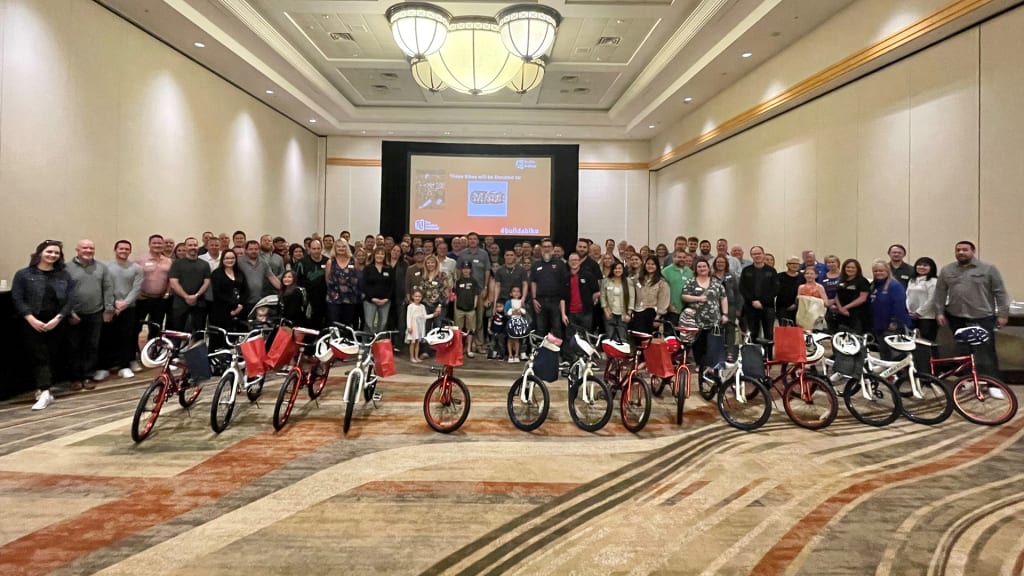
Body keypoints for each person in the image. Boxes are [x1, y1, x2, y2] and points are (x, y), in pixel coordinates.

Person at [12, 240, 74, 410]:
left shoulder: (64, 275)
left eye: (56, 253)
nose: (52, 255)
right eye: (49, 252)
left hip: (56, 322)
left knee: (51, 356)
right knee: (39, 356)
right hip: (32, 322)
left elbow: (70, 300)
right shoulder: (24, 274)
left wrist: (58, 319)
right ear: (40, 253)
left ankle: (44, 388)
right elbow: (17, 298)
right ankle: (45, 391)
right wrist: (31, 318)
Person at [934, 241, 1009, 377]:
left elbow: (1000, 292)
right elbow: (940, 293)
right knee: (963, 350)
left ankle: (992, 383)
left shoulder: (988, 268)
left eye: (965, 250)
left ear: (973, 251)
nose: (961, 252)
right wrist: (939, 312)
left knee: (985, 351)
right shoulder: (947, 270)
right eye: (958, 250)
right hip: (956, 317)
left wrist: (1003, 314)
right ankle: (967, 379)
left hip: (982, 317)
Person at [66, 239, 115, 389]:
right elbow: (63, 292)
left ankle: (88, 376)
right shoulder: (66, 268)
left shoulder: (101, 267)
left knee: (92, 346)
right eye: (84, 248)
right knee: (74, 347)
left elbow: (108, 288)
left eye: (91, 248)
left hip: (95, 313)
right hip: (74, 315)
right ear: (77, 249)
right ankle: (75, 378)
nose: (88, 250)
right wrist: (69, 312)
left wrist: (108, 309)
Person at [104, 240, 143, 379]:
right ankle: (107, 365)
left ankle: (124, 366)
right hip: (111, 307)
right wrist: (114, 303)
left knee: (128, 337)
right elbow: (106, 286)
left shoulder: (137, 268)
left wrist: (125, 303)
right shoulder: (106, 267)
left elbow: (137, 288)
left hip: (129, 307)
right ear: (115, 250)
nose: (124, 251)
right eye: (121, 248)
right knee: (109, 337)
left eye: (127, 249)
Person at [681, 259, 728, 374]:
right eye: (699, 267)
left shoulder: (716, 282)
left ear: (708, 268)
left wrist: (725, 314)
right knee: (698, 343)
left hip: (713, 318)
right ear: (696, 269)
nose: (702, 269)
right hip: (696, 318)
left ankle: (711, 365)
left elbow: (723, 298)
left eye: (704, 266)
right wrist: (698, 298)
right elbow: (684, 296)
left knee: (712, 343)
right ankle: (699, 364)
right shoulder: (691, 282)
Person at [136, 234, 172, 350]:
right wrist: (137, 293)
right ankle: (134, 353)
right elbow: (133, 278)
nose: (157, 245)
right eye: (154, 243)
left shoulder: (168, 261)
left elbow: (171, 279)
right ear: (149, 244)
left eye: (159, 243)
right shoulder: (140, 260)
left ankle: (152, 351)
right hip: (142, 299)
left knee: (156, 328)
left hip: (160, 300)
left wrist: (167, 292)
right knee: (136, 327)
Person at [167, 237, 211, 332]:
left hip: (199, 303)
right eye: (190, 245)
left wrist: (196, 295)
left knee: (198, 333)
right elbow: (173, 282)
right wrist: (186, 296)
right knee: (178, 332)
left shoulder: (204, 264)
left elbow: (207, 282)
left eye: (195, 245)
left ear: (198, 247)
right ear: (185, 247)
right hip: (180, 304)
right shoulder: (177, 264)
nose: (193, 247)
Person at [869, 260, 911, 359]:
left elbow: (900, 305)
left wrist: (895, 322)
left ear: (887, 271)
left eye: (881, 271)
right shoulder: (874, 285)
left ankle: (901, 374)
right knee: (884, 353)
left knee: (895, 355)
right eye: (875, 271)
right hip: (879, 325)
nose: (878, 273)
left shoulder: (895, 286)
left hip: (892, 327)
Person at [739, 246, 779, 348]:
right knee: (753, 334)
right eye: (754, 254)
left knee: (769, 334)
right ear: (751, 256)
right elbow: (742, 288)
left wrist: (762, 302)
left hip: (768, 307)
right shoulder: (746, 270)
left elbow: (775, 289)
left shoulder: (771, 271)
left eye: (759, 253)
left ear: (763, 254)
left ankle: (768, 358)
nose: (757, 256)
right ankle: (755, 359)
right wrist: (753, 301)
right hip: (750, 307)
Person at [209, 249, 249, 347]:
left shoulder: (240, 273)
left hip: (239, 310)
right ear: (222, 259)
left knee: (235, 338)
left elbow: (245, 290)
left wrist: (240, 306)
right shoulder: (216, 274)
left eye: (232, 258)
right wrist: (233, 305)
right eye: (227, 258)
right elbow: (217, 293)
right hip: (221, 311)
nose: (230, 260)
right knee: (219, 339)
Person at [530, 238, 568, 340]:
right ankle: (540, 353)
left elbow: (564, 283)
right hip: (540, 302)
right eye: (544, 247)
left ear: (552, 248)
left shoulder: (560, 264)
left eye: (549, 246)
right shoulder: (536, 264)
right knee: (540, 329)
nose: (546, 249)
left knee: (557, 328)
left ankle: (556, 353)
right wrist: (533, 299)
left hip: (555, 302)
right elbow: (533, 282)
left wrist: (561, 301)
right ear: (541, 248)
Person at [560, 252, 600, 337]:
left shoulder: (588, 275)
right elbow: (562, 298)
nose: (574, 262)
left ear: (579, 261)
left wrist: (590, 302)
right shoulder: (565, 277)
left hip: (586, 313)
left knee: (586, 338)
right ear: (568, 262)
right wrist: (563, 314)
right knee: (571, 338)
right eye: (571, 260)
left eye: (576, 260)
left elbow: (596, 292)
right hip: (570, 314)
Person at [325, 241, 361, 328]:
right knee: (334, 323)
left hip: (350, 298)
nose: (341, 248)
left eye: (343, 246)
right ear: (335, 248)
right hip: (334, 298)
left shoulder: (354, 261)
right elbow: (327, 279)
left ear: (347, 248)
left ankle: (345, 340)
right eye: (339, 247)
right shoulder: (330, 262)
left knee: (347, 324)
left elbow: (357, 277)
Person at [631, 256, 670, 335]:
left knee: (649, 339)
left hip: (652, 313)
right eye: (648, 264)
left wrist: (658, 317)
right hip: (638, 312)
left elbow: (663, 300)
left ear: (657, 266)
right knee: (637, 338)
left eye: (653, 264)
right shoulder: (638, 279)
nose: (650, 266)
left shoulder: (662, 282)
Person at [294, 239, 328, 329]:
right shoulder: (301, 263)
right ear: (309, 249)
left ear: (321, 248)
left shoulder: (328, 261)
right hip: (308, 299)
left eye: (318, 248)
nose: (316, 251)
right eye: (314, 249)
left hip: (324, 298)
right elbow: (296, 281)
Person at [361, 247, 394, 334]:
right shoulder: (368, 268)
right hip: (370, 301)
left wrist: (387, 298)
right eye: (378, 253)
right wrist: (372, 298)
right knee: (369, 324)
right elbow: (364, 285)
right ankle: (367, 345)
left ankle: (380, 345)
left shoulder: (389, 269)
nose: (380, 256)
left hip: (385, 302)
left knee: (383, 324)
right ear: (374, 255)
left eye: (382, 254)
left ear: (385, 256)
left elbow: (392, 285)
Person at [906, 257, 938, 343]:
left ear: (931, 267)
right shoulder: (912, 280)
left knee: (925, 342)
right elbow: (908, 296)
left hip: (927, 317)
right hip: (911, 316)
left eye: (925, 265)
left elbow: (932, 300)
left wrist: (919, 312)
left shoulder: (933, 281)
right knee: (911, 341)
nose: (921, 267)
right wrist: (909, 310)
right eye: (919, 265)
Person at [600, 261, 634, 341]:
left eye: (619, 268)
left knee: (622, 338)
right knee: (610, 338)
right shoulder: (606, 281)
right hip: (610, 313)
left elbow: (632, 297)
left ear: (623, 270)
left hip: (623, 314)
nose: (617, 270)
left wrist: (629, 313)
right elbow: (603, 296)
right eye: (615, 268)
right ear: (612, 270)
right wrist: (605, 311)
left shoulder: (628, 281)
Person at [453, 262, 481, 358]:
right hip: (459, 308)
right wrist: (456, 306)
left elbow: (476, 295)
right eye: (464, 268)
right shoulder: (458, 281)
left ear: (470, 270)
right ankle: (458, 349)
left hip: (470, 309)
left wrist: (474, 306)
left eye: (467, 268)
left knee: (470, 330)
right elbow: (455, 295)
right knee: (458, 330)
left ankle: (469, 349)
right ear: (461, 270)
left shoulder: (474, 281)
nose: (465, 270)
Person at [835, 258, 870, 333]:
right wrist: (840, 308)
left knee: (855, 335)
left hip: (856, 314)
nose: (850, 269)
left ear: (858, 269)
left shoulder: (862, 281)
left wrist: (846, 307)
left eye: (853, 267)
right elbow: (837, 295)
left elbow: (862, 298)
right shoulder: (841, 280)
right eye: (847, 267)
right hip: (842, 313)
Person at [662, 249, 695, 326]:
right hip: (671, 309)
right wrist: (668, 305)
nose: (682, 259)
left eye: (684, 257)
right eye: (679, 257)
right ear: (673, 258)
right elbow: (663, 292)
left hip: (686, 310)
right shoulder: (665, 272)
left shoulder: (690, 272)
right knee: (671, 335)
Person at [406, 289, 437, 363]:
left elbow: (424, 316)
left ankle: (416, 357)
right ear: (413, 297)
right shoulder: (410, 306)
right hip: (413, 326)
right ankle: (412, 357)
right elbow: (408, 317)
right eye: (416, 296)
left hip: (420, 326)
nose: (417, 298)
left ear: (422, 297)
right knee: (413, 342)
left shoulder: (422, 306)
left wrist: (433, 315)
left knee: (417, 342)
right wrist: (409, 326)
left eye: (419, 296)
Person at [776, 256, 804, 325]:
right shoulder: (779, 276)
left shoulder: (802, 277)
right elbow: (777, 292)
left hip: (798, 308)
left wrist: (795, 304)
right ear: (787, 265)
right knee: (784, 330)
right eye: (792, 263)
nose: (795, 265)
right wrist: (787, 305)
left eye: (797, 263)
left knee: (797, 331)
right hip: (782, 308)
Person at [504, 285, 526, 362]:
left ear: (520, 294)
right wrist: (512, 312)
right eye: (514, 291)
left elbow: (524, 311)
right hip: (511, 323)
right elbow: (506, 312)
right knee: (510, 339)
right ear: (511, 293)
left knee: (516, 339)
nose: (516, 293)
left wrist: (520, 311)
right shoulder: (508, 302)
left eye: (518, 291)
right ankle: (510, 355)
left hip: (518, 324)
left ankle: (516, 355)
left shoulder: (521, 302)